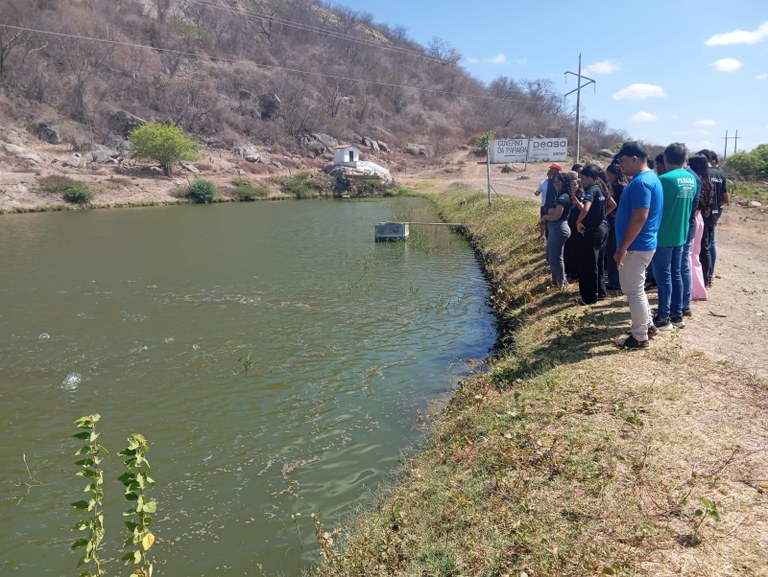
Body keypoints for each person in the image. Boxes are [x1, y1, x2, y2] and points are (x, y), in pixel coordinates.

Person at [613, 141, 664, 349]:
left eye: (623, 161)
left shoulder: (641, 182)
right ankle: (648, 325)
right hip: (643, 244)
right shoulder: (652, 178)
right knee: (637, 288)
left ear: (635, 158)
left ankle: (639, 337)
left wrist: (622, 248)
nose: (621, 166)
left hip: (636, 246)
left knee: (633, 290)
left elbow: (639, 217)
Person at [652, 143, 697, 330]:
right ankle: (677, 315)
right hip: (681, 234)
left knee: (663, 278)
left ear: (665, 159)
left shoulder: (663, 180)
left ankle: (663, 317)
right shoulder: (692, 179)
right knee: (676, 274)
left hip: (663, 235)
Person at [575, 164, 612, 304]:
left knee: (588, 265)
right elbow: (612, 204)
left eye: (583, 178)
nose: (581, 181)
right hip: (602, 228)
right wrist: (601, 216)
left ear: (591, 178)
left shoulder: (591, 190)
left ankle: (589, 298)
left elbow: (586, 208)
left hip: (593, 231)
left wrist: (578, 222)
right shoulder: (602, 189)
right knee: (599, 263)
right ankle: (601, 292)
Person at [697, 150, 729, 286]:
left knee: (702, 247)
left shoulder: (702, 173)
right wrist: (716, 206)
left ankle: (703, 277)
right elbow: (726, 199)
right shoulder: (720, 173)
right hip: (714, 215)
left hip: (703, 214)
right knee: (711, 244)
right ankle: (710, 275)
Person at [539, 171, 572, 288]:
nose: (555, 185)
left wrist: (545, 217)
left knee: (556, 258)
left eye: (558, 182)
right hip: (556, 228)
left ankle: (560, 283)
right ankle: (558, 281)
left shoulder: (563, 197)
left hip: (559, 228)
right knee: (552, 256)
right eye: (554, 183)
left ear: (564, 183)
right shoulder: (561, 195)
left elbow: (556, 215)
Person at [685, 155, 709, 308]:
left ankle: (691, 291)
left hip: (693, 217)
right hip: (700, 218)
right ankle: (699, 290)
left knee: (688, 255)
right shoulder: (705, 181)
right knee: (695, 254)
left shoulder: (693, 180)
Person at [605, 163, 628, 290]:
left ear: (614, 174)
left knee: (613, 251)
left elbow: (618, 206)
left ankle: (615, 281)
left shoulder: (618, 188)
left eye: (609, 174)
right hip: (617, 221)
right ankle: (617, 279)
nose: (607, 177)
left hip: (614, 221)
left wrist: (606, 214)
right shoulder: (623, 186)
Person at [564, 172, 584, 281]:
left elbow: (583, 209)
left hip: (577, 225)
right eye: (571, 185)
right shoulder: (566, 196)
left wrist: (575, 198)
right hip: (568, 224)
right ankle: (569, 271)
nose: (573, 187)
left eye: (575, 185)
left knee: (577, 249)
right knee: (568, 248)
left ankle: (576, 271)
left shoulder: (581, 196)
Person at [534, 163, 563, 239]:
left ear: (557, 170)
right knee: (546, 222)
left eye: (552, 169)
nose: (550, 170)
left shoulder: (561, 179)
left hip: (557, 205)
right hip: (548, 206)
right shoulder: (549, 181)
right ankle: (547, 237)